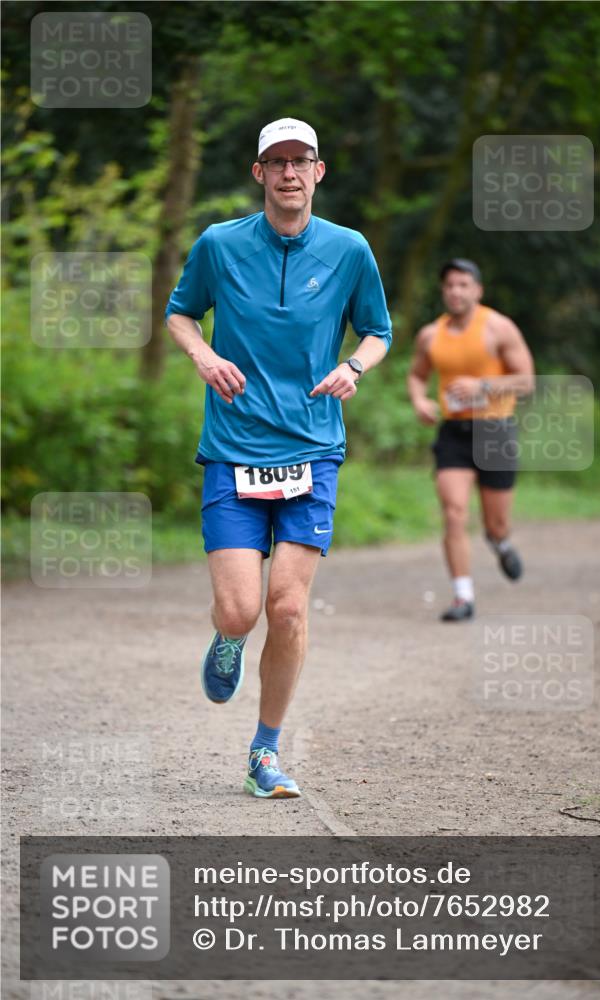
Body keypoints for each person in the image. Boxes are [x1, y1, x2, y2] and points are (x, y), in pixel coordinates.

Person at [165, 118, 391, 797]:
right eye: (276, 161)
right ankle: (228, 639)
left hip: (312, 450)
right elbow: (180, 313)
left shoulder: (349, 250)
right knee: (240, 611)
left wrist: (354, 365)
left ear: (319, 172)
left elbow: (378, 330)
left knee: (288, 609)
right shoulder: (219, 244)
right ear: (258, 172)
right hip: (234, 450)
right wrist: (203, 354)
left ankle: (264, 753)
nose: (289, 172)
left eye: (302, 161)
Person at [407, 258, 534, 621]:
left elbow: (526, 380)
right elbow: (417, 376)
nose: (455, 291)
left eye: (463, 284)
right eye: (449, 285)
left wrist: (484, 386)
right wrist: (419, 399)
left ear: (477, 290)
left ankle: (501, 543)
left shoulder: (498, 328)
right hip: (454, 433)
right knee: (454, 512)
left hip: (495, 430)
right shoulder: (431, 335)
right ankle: (463, 596)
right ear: (443, 291)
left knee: (494, 524)